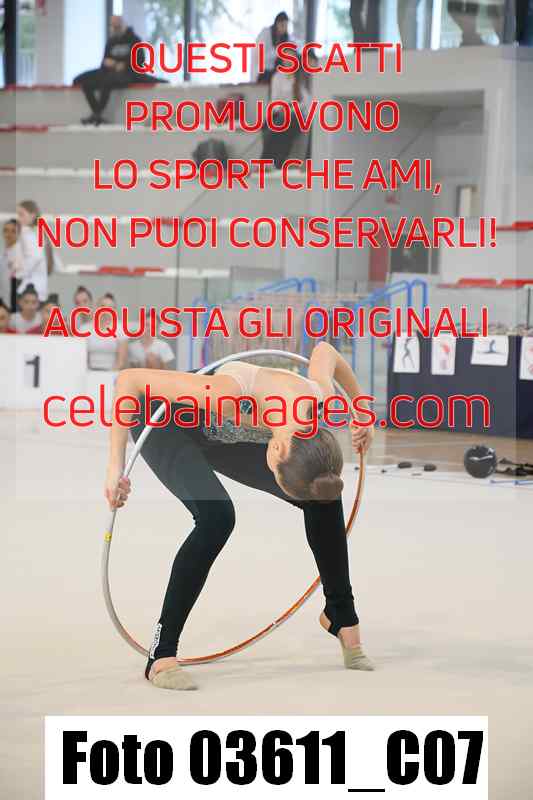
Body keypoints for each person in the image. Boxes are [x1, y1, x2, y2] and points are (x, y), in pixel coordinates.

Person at [105, 341, 375, 690]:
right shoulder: (224, 393)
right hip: (165, 418)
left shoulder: (315, 396)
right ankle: (162, 653)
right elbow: (128, 380)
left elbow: (326, 352)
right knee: (217, 516)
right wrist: (115, 468)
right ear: (276, 448)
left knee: (321, 492)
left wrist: (362, 413)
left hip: (221, 432)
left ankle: (341, 615)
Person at [73, 15, 146, 126]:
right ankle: (97, 113)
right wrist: (111, 64)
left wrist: (124, 65)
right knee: (82, 81)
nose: (114, 29)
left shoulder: (135, 40)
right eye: (113, 27)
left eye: (117, 27)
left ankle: (97, 114)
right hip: (109, 72)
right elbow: (104, 62)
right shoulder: (111, 41)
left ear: (123, 25)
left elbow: (140, 62)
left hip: (128, 74)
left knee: (108, 81)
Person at [261, 58, 311, 168]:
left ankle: (268, 160)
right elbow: (274, 101)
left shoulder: (301, 77)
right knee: (278, 124)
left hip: (298, 113)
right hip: (280, 111)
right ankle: (273, 161)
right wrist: (283, 107)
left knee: (288, 120)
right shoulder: (277, 77)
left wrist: (293, 108)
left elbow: (306, 102)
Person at [79, 293, 128, 370]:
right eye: (103, 306)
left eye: (110, 308)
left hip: (112, 372)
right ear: (97, 307)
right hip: (90, 372)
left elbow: (121, 362)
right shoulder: (84, 329)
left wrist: (108, 375)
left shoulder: (120, 330)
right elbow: (81, 359)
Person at [17, 201, 51, 303]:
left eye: (21, 214)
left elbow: (36, 256)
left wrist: (19, 273)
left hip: (29, 290)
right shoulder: (40, 233)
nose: (19, 218)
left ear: (32, 215)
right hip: (39, 289)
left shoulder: (28, 234)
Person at [251, 12, 290, 83]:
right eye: (282, 25)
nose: (284, 29)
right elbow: (259, 57)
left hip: (276, 72)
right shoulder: (265, 33)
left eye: (286, 26)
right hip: (262, 72)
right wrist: (277, 51)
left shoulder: (285, 38)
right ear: (277, 23)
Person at [0, 218, 21, 312]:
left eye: (13, 231)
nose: (9, 234)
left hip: (15, 301)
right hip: (4, 298)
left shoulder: (20, 253)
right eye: (6, 230)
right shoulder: (4, 253)